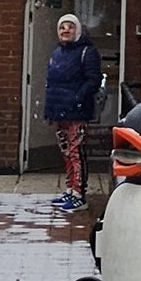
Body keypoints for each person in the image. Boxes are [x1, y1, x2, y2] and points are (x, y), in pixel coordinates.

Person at [42, 11, 102, 211]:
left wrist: (78, 98)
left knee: (76, 152)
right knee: (66, 151)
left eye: (70, 27)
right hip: (59, 111)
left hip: (77, 112)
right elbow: (51, 84)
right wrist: (49, 110)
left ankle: (79, 194)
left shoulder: (87, 52)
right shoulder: (57, 53)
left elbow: (93, 80)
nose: (65, 30)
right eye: (62, 27)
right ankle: (70, 189)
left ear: (78, 31)